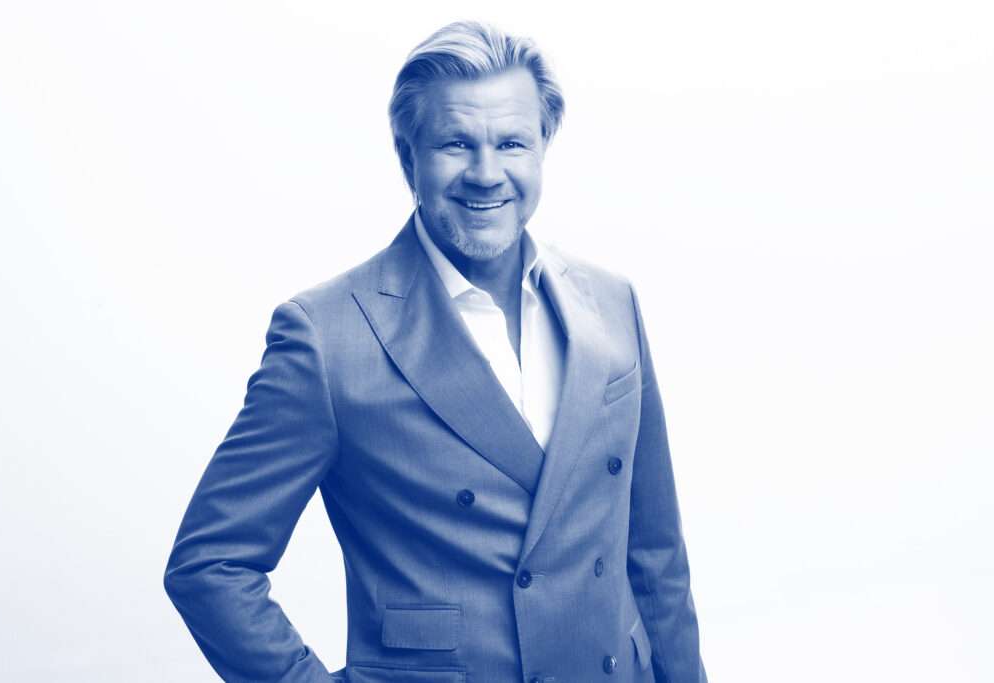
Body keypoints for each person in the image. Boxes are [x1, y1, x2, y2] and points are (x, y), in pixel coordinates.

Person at [164, 20, 707, 683]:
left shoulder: (611, 302)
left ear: (543, 146)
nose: (486, 174)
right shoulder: (327, 336)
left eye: (511, 142)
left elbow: (656, 555)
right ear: (407, 155)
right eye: (456, 143)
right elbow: (210, 564)